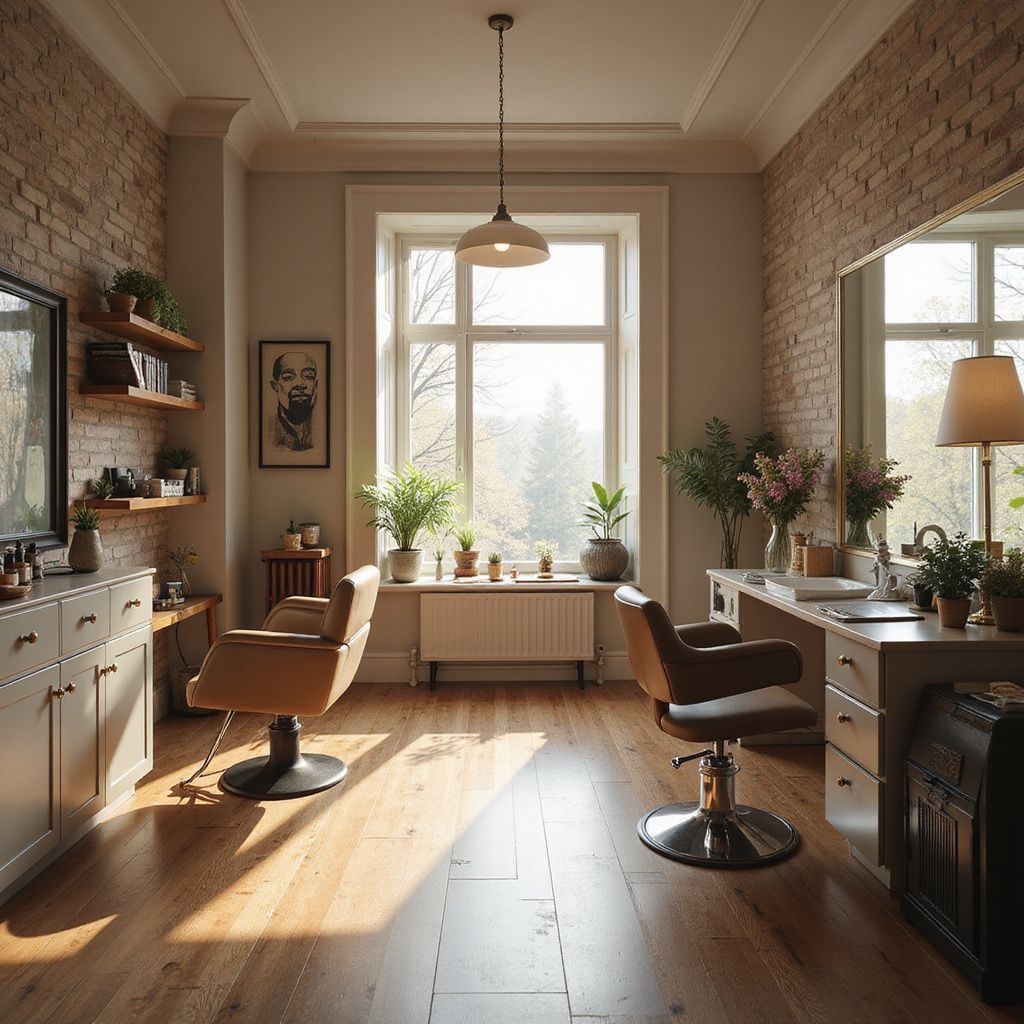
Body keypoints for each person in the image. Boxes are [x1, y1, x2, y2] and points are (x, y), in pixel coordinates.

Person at [266, 351, 318, 452]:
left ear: (316, 385)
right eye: (288, 377)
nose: (299, 384)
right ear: (275, 386)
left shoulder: (323, 432)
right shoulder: (268, 432)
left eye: (308, 375)